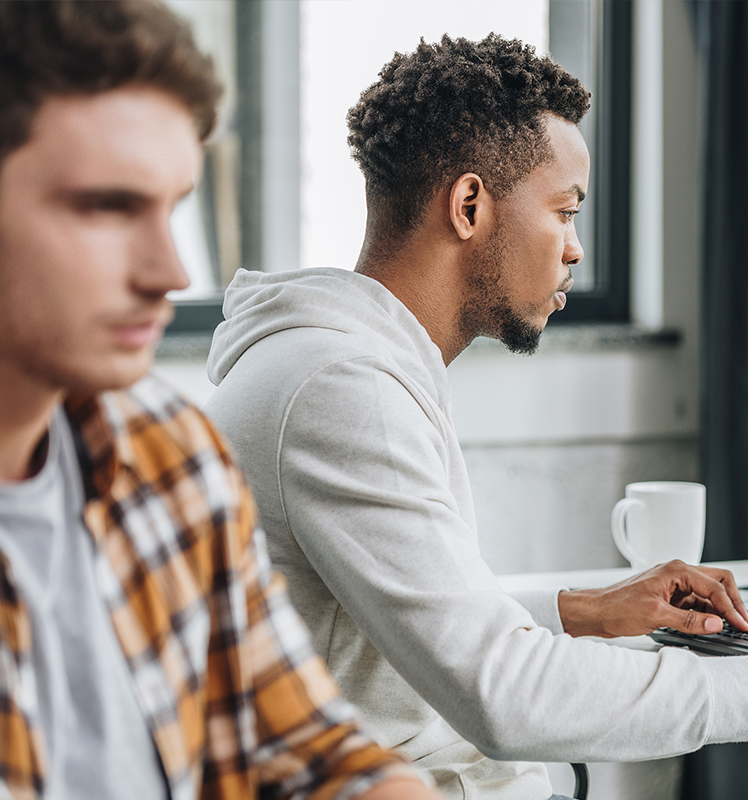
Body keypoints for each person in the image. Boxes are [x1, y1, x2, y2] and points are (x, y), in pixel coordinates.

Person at [205, 34, 748, 800]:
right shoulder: (345, 390)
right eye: (564, 210)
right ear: (470, 204)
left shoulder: (328, 363)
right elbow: (506, 697)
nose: (576, 249)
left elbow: (407, 616)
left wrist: (578, 612)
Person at [0, 3, 444, 798]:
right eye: (107, 207)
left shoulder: (171, 461)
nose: (170, 270)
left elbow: (297, 741)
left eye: (172, 208)